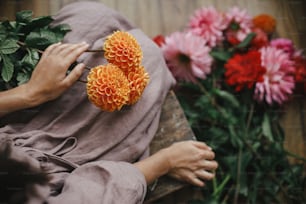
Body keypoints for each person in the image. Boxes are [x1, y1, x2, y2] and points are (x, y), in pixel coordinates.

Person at [0, 1, 218, 203]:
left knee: (93, 17)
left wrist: (30, 93)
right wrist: (164, 163)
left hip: (9, 114)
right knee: (148, 60)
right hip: (54, 171)